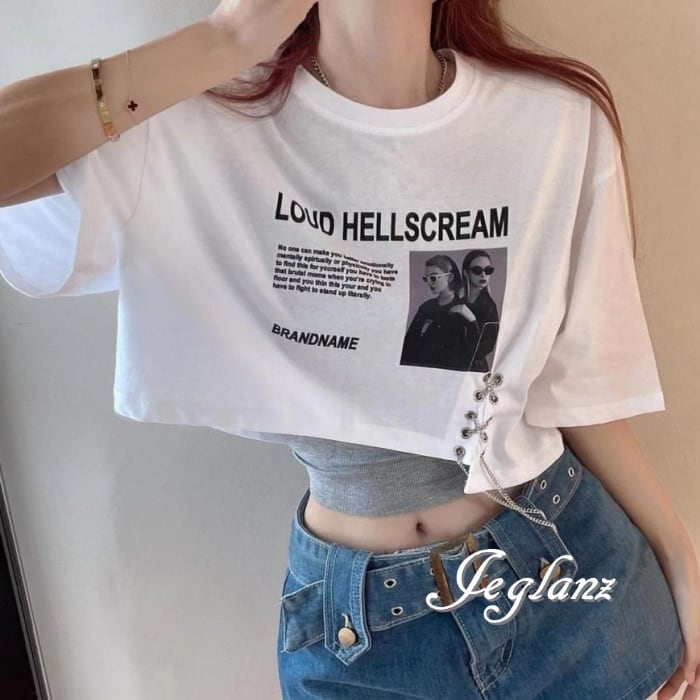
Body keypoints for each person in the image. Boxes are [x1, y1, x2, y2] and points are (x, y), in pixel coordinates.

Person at [0, 1, 698, 698]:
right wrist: (223, 41)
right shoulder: (193, 126)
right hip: (358, 638)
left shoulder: (555, 120)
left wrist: (684, 563)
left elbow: (576, 394)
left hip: (570, 583)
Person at [400, 254, 474, 371]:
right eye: (426, 279)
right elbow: (408, 345)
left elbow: (470, 353)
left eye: (433, 278)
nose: (429, 283)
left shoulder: (464, 310)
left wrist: (472, 320)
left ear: (450, 277)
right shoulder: (425, 307)